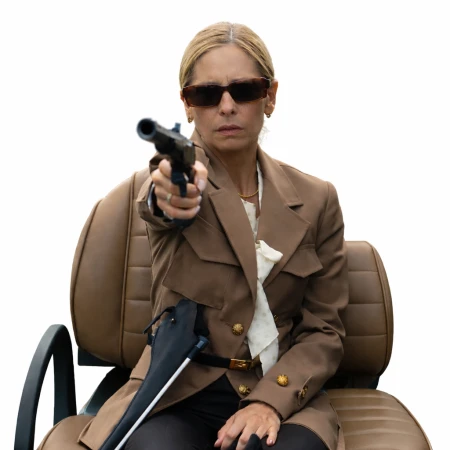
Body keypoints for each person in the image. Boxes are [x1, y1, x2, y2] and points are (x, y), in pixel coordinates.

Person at [77, 21, 348, 450]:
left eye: (244, 90)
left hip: (278, 386)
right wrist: (171, 197)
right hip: (178, 390)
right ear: (187, 105)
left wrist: (270, 401)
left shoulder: (317, 200)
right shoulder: (173, 182)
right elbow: (161, 202)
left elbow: (324, 330)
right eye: (206, 94)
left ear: (270, 96)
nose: (226, 106)